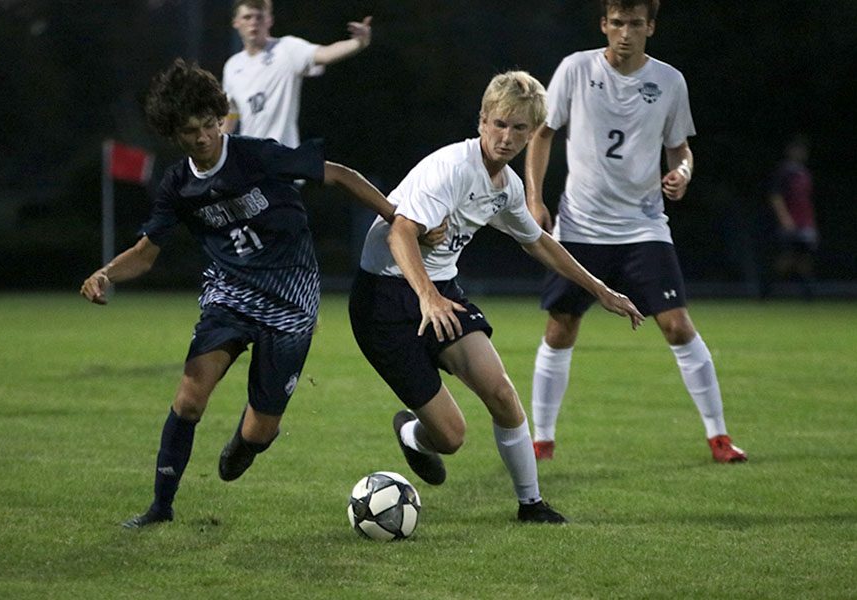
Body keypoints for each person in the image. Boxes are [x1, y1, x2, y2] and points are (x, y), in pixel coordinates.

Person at [80, 58, 402, 528]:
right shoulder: (178, 186)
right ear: (175, 132)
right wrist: (106, 274)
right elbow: (146, 253)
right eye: (192, 130)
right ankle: (160, 508)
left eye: (210, 124)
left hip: (292, 299)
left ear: (220, 118)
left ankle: (245, 443)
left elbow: (337, 174)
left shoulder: (255, 155)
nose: (204, 136)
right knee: (190, 396)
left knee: (261, 429)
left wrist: (396, 216)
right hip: (230, 294)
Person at [349, 71, 644, 524]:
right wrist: (427, 297)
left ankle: (531, 505)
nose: (508, 137)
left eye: (520, 128)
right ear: (483, 120)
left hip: (441, 292)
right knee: (450, 437)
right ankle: (413, 433)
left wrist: (600, 289)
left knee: (503, 394)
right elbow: (401, 233)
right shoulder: (451, 168)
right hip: (385, 301)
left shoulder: (504, 186)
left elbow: (538, 241)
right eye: (500, 124)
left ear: (532, 132)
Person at [524, 0, 748, 464]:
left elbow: (679, 148)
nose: (626, 32)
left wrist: (682, 173)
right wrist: (534, 198)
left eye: (636, 24)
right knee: (561, 326)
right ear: (604, 24)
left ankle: (719, 437)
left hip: (643, 227)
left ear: (651, 27)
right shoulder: (574, 69)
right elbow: (543, 133)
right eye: (618, 23)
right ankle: (541, 440)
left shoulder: (668, 81)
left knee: (677, 324)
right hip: (580, 227)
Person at [221, 0, 372, 147]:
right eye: (247, 17)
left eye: (259, 17)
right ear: (236, 22)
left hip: (284, 156)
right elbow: (231, 112)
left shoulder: (287, 49)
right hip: (251, 159)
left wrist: (359, 43)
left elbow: (325, 54)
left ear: (269, 21)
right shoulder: (232, 66)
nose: (253, 22)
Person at [766, 135, 818, 299]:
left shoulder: (804, 173)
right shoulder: (784, 172)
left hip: (805, 222)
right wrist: (784, 218)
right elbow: (776, 197)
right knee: (787, 256)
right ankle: (767, 292)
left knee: (804, 257)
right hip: (791, 221)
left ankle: (808, 293)